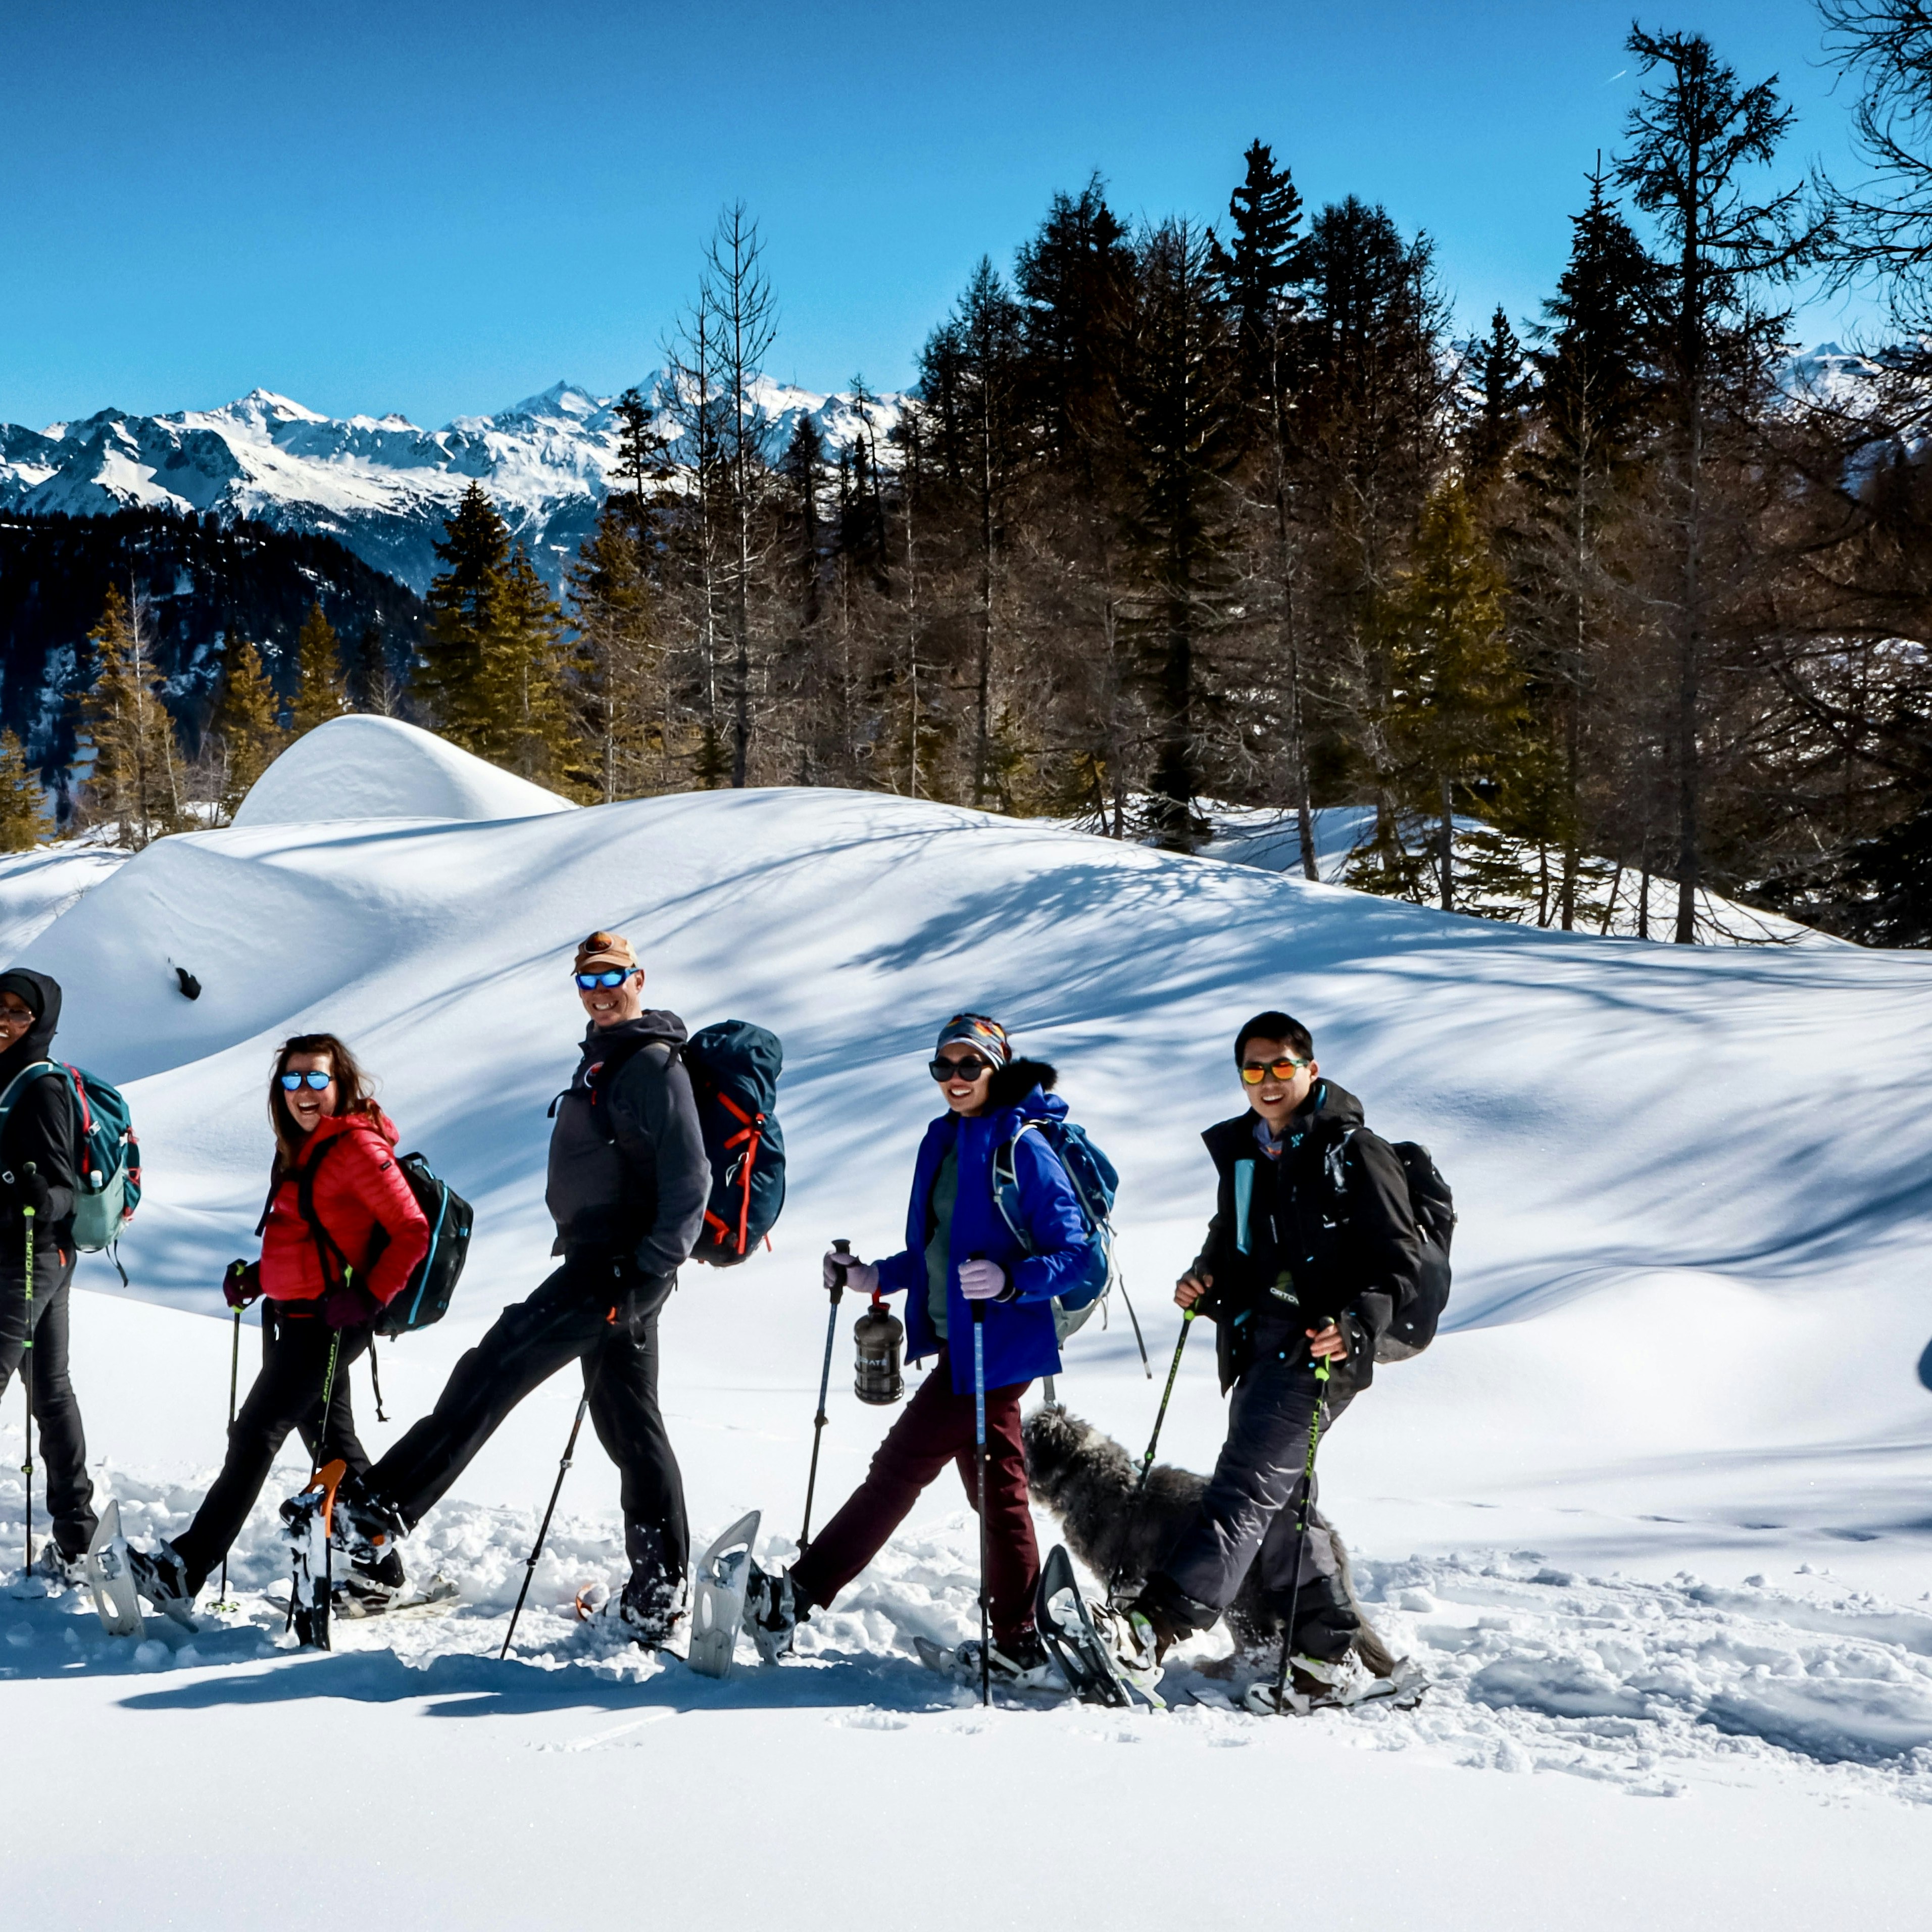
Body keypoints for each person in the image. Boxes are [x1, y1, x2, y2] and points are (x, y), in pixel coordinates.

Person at [285, 930, 710, 1646]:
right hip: (605, 1263)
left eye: (613, 978)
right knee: (631, 1429)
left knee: (494, 1366)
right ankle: (657, 1592)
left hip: (614, 1268)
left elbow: (690, 1179)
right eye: (587, 982)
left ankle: (377, 1513)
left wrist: (646, 1274)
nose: (600, 992)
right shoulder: (610, 1061)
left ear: (640, 978)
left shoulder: (652, 1065)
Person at [744, 1013, 1102, 1688]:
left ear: (998, 1066)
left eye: (971, 1065)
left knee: (900, 1471)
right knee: (995, 1494)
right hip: (957, 1346)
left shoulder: (1021, 1144)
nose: (956, 1079)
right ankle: (1020, 1636)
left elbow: (1078, 1256)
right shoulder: (941, 1140)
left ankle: (797, 1597)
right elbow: (934, 1253)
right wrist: (873, 1276)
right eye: (944, 1066)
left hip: (997, 1348)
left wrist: (1011, 1280)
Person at [1124, 1010, 1420, 1700]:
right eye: (1253, 1069)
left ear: (1309, 1070)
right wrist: (1206, 1277)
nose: (1267, 1080)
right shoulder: (1248, 1153)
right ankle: (1327, 1655)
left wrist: (1354, 1324)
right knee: (1283, 1500)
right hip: (1258, 1343)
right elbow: (1231, 1240)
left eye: (1281, 1066)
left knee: (1243, 1488)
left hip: (1318, 1352)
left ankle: (1151, 1625)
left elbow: (1400, 1264)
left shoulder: (1354, 1150)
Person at [127, 1032, 430, 1621]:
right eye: (292, 1080)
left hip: (331, 1322)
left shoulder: (356, 1149)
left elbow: (412, 1230)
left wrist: (368, 1296)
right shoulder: (299, 1148)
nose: (304, 1091)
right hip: (295, 1317)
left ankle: (183, 1572)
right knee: (332, 1447)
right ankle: (382, 1574)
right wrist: (259, 1276)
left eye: (317, 1078)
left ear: (340, 1084)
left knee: (256, 1433)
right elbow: (309, 1238)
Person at [0, 969, 98, 1586]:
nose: (4, 1021)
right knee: (51, 1391)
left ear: (41, 1023)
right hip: (33, 1259)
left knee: (48, 1390)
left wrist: (34, 1197)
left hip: (32, 1259)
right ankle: (78, 1540)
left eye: (18, 1013)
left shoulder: (43, 1089)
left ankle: (77, 1539)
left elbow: (65, 1192)